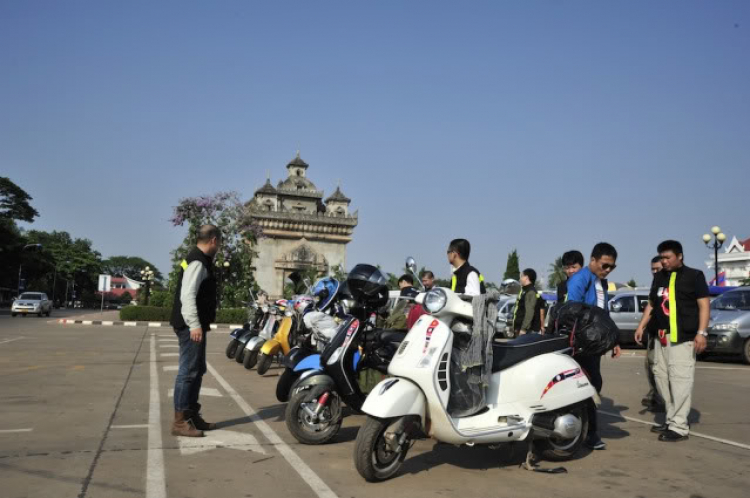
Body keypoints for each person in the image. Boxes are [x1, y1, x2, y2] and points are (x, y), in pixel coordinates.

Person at [635, 240, 709, 442]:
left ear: (680, 256)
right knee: (661, 378)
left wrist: (702, 332)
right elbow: (651, 304)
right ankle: (671, 418)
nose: (664, 261)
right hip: (660, 337)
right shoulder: (659, 277)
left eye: (668, 257)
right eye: (662, 257)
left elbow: (704, 305)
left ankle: (679, 426)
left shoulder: (694, 276)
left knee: (680, 381)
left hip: (683, 337)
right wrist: (641, 326)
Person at [566, 242, 622, 450]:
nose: (607, 270)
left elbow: (603, 313)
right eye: (604, 265)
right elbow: (573, 310)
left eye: (611, 267)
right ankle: (589, 433)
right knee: (587, 385)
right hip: (581, 344)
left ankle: (586, 431)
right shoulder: (579, 279)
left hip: (595, 343)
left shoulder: (601, 282)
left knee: (593, 384)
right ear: (592, 260)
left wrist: (613, 340)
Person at [169, 224, 222, 437]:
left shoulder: (196, 259)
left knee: (197, 370)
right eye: (220, 242)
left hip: (193, 324)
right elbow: (187, 295)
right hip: (190, 326)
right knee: (188, 372)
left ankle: (191, 415)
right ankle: (180, 422)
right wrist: (194, 324)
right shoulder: (198, 262)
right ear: (214, 240)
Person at [641, 256, 666, 413]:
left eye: (658, 268)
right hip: (652, 332)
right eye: (653, 269)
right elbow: (650, 305)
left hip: (665, 334)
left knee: (661, 368)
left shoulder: (670, 284)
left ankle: (663, 399)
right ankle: (655, 393)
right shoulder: (655, 284)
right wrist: (641, 327)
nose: (655, 272)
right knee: (649, 365)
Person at [512, 268, 540, 335]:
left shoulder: (531, 292)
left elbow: (529, 312)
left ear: (526, 278)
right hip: (520, 328)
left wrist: (523, 329)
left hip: (525, 331)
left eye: (521, 276)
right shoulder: (525, 291)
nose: (520, 279)